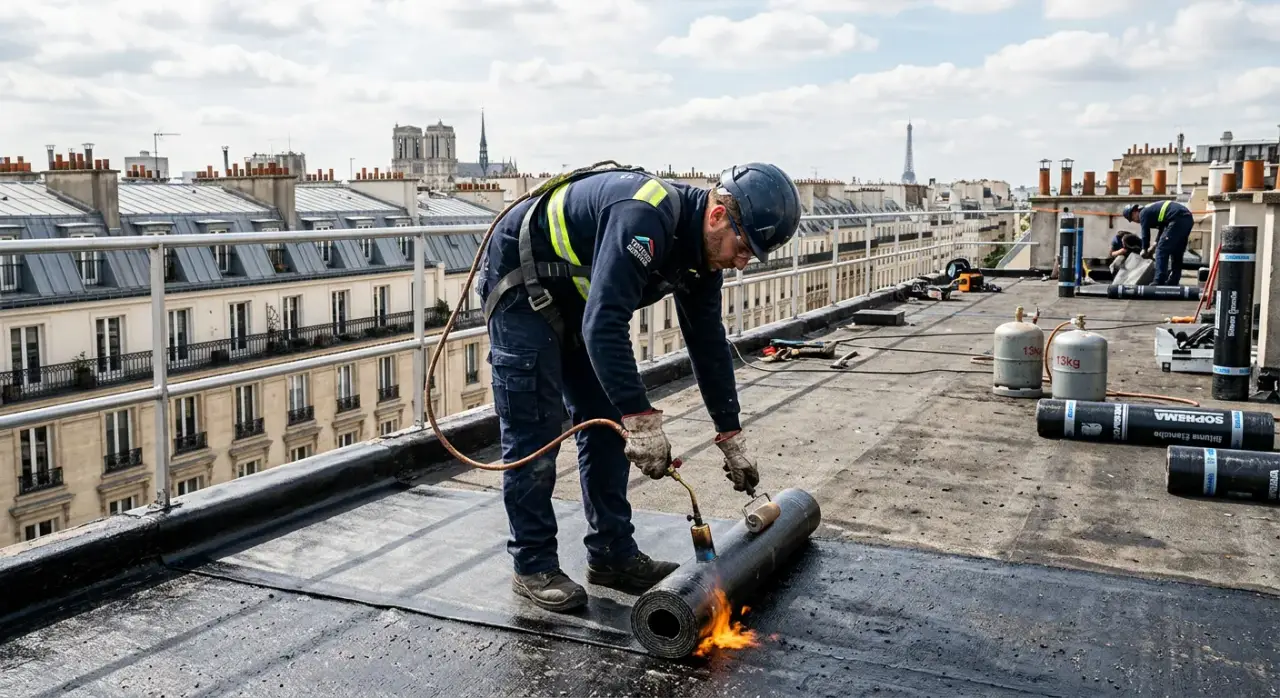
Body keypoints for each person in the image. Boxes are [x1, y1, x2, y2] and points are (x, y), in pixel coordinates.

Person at [476, 162, 802, 612]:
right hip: (520, 285)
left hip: (577, 299)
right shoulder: (644, 216)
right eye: (744, 247)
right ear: (717, 217)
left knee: (607, 424)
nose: (743, 261)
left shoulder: (702, 259)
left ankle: (612, 555)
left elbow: (707, 341)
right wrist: (643, 419)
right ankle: (533, 564)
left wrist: (731, 432)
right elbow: (604, 324)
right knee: (535, 425)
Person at [1122, 201, 1194, 285]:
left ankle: (1159, 280)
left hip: (1177, 218)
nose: (1135, 221)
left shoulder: (1143, 213)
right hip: (1187, 219)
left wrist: (1144, 249)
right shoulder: (1152, 210)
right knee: (1177, 252)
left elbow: (1145, 232)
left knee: (1161, 250)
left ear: (1134, 212)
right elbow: (1163, 228)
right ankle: (1174, 280)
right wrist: (1155, 244)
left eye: (1132, 218)